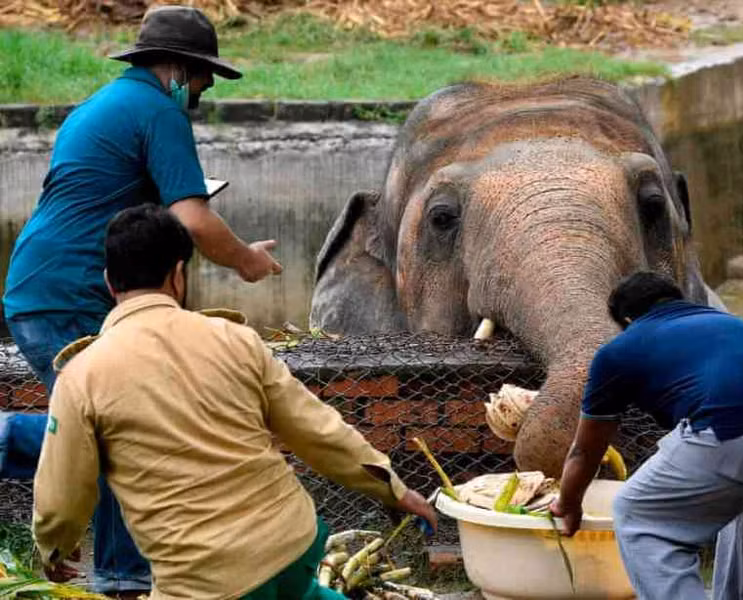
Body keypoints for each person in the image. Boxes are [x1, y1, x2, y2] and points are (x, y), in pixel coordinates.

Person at [0, 5, 281, 594]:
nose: (200, 97)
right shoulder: (158, 109)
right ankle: (123, 577)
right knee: (111, 429)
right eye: (201, 83)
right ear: (178, 70)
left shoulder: (103, 105)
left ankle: (124, 576)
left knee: (113, 427)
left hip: (46, 282)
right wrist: (248, 261)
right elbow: (193, 219)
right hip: (72, 290)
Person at [32, 205, 438, 599]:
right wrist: (394, 488)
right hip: (294, 543)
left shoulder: (81, 375)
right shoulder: (236, 340)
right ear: (178, 275)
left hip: (205, 580)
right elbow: (316, 429)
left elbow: (62, 493)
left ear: (108, 282)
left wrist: (54, 547)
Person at [550, 271, 743, 600]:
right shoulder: (728, 324)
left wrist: (568, 503)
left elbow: (584, 451)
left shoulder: (620, 350)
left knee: (640, 515)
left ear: (626, 319)